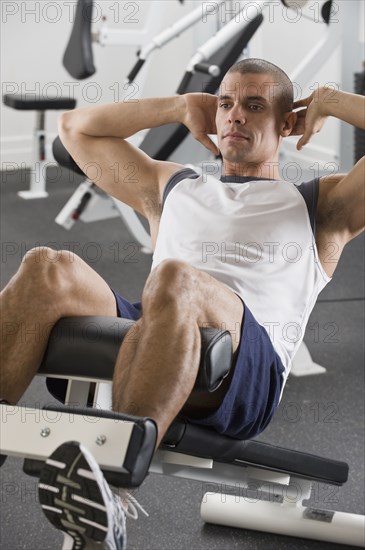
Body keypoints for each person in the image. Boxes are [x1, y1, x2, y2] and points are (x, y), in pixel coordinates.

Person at [1, 58, 364, 549]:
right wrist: (177, 106)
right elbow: (74, 130)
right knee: (47, 266)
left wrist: (335, 102)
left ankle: (110, 494)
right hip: (156, 332)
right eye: (226, 104)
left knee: (176, 278)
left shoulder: (322, 206)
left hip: (242, 369)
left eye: (254, 107)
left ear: (288, 124)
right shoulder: (171, 186)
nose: (235, 116)